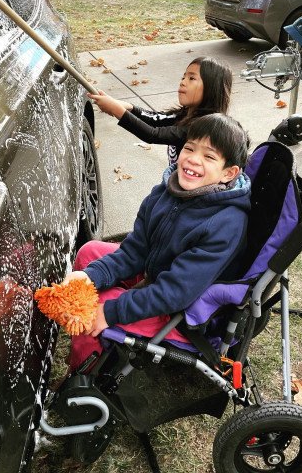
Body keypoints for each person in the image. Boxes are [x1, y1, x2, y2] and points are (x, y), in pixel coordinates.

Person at [65, 113, 251, 370]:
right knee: (90, 253)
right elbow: (134, 250)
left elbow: (175, 293)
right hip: (156, 273)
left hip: (181, 316)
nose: (194, 159)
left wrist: (110, 312)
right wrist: (90, 276)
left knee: (91, 309)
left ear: (228, 173)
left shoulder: (225, 223)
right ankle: (93, 333)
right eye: (189, 148)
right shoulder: (166, 191)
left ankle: (82, 379)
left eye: (209, 156)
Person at [88, 56, 233, 165]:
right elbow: (155, 119)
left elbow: (152, 134)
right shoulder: (186, 113)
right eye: (183, 76)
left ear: (211, 89)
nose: (182, 81)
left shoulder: (202, 129)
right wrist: (127, 106)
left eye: (191, 78)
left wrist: (116, 110)